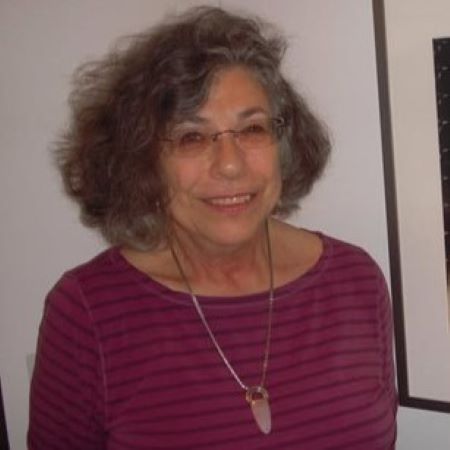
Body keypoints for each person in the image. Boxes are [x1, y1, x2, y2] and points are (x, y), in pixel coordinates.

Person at [28, 6, 397, 449]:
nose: (230, 164)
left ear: (284, 142)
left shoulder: (356, 282)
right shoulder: (88, 315)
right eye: (192, 137)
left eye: (252, 129)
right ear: (142, 160)